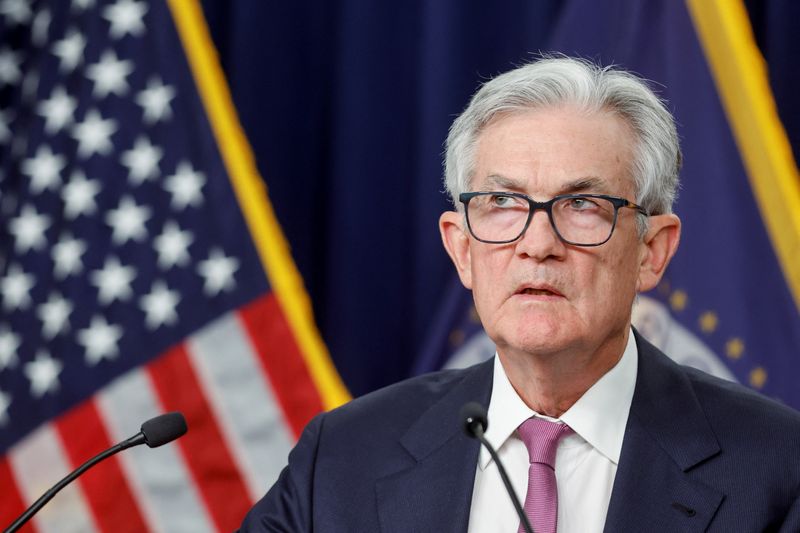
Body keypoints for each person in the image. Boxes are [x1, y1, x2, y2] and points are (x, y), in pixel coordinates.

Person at [239, 56, 800, 532]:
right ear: (461, 249)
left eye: (582, 205)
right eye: (503, 203)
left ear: (652, 251)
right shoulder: (341, 458)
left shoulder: (778, 468)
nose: (537, 244)